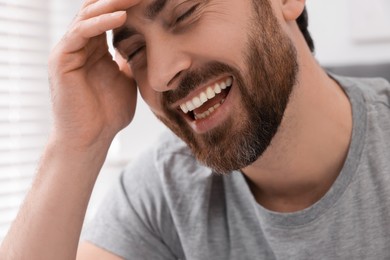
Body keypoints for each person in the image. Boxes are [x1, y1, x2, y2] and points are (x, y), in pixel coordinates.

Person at [1, 0, 390, 259]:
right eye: (135, 51)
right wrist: (77, 144)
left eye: (185, 12)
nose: (160, 74)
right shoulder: (163, 191)